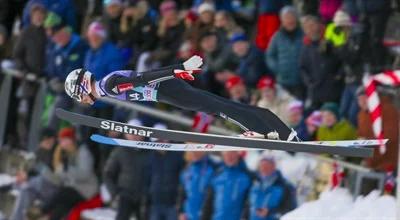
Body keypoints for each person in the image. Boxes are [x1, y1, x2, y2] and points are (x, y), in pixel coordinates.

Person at [64, 55, 296, 141]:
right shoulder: (107, 89)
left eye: (79, 96)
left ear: (82, 88)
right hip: (165, 91)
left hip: (166, 90)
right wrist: (176, 71)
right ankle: (282, 131)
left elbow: (144, 78)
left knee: (217, 107)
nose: (82, 100)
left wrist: (177, 69)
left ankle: (262, 130)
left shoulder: (109, 85)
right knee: (220, 105)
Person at [41, 127, 98, 220]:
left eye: (62, 140)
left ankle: (41, 211)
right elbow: (61, 178)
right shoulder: (65, 153)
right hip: (73, 188)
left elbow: (85, 175)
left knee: (62, 194)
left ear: (70, 140)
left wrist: (66, 170)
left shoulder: (83, 152)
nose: (60, 143)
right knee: (60, 207)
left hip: (86, 190)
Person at [43, 12, 88, 129]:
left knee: (77, 121)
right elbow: (52, 69)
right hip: (62, 93)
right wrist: (51, 79)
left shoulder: (79, 45)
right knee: (54, 114)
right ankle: (50, 139)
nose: (55, 39)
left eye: (57, 35)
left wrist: (64, 84)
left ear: (64, 32)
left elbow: (79, 69)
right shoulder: (56, 47)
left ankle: (78, 142)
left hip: (79, 92)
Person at [103, 119, 150, 220]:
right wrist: (115, 193)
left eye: (137, 133)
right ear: (126, 134)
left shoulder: (149, 152)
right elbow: (108, 173)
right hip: (125, 195)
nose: (134, 136)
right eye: (131, 133)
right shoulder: (120, 151)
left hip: (144, 196)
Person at [9, 128, 58, 220]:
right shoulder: (41, 151)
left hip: (55, 189)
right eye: (45, 140)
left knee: (32, 183)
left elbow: (56, 177)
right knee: (25, 190)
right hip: (40, 188)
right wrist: (26, 175)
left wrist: (29, 176)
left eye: (50, 139)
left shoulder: (58, 152)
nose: (48, 142)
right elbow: (30, 169)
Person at [299, 15, 344, 111]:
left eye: (312, 25)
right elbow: (302, 68)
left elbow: (343, 60)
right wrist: (309, 82)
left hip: (333, 91)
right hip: (316, 93)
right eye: (307, 27)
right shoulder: (305, 47)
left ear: (319, 25)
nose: (310, 29)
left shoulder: (330, 40)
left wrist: (338, 77)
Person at [266, 6, 304, 99]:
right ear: (282, 21)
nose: (290, 21)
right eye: (287, 18)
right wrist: (279, 69)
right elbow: (269, 55)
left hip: (301, 80)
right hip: (283, 81)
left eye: (292, 17)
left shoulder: (303, 34)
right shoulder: (277, 36)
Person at [357, 88, 399, 171]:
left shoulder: (389, 110)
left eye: (365, 98)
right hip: (370, 161)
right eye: (359, 99)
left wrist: (369, 142)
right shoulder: (361, 114)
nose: (362, 102)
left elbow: (391, 136)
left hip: (388, 161)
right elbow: (360, 134)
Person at [201, 151, 252, 220]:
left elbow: (250, 202)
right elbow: (208, 203)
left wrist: (245, 216)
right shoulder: (217, 175)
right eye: (227, 154)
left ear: (238, 155)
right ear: (223, 156)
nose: (230, 157)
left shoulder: (247, 176)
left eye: (232, 153)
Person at [148, 148, 185, 220]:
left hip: (173, 203)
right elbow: (147, 178)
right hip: (155, 203)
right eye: (159, 140)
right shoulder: (150, 156)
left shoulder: (178, 156)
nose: (162, 141)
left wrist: (180, 204)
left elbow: (183, 180)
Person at [178, 152, 215, 220]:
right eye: (192, 150)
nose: (194, 153)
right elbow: (182, 194)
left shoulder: (212, 168)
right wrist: (181, 212)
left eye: (197, 150)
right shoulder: (186, 170)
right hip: (188, 216)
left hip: (205, 216)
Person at [249, 155, 285, 220]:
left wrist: (270, 212)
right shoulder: (254, 183)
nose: (264, 169)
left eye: (267, 166)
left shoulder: (283, 186)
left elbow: (290, 209)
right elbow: (248, 204)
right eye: (262, 166)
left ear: (273, 167)